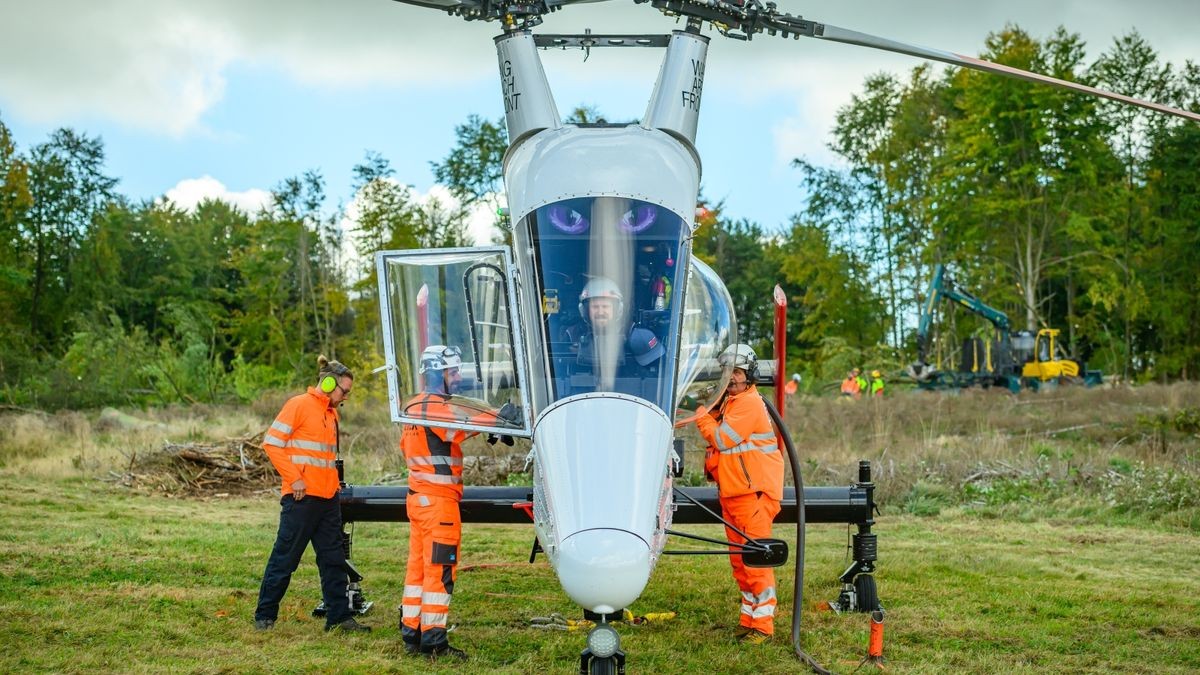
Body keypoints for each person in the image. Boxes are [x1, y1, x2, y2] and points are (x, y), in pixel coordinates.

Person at [399, 344, 521, 660]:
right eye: (453, 372)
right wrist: (498, 419)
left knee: (418, 572)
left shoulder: (413, 406)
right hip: (438, 504)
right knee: (440, 572)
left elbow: (459, 419)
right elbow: (462, 421)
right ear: (438, 373)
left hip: (419, 500)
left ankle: (412, 633)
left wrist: (488, 423)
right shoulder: (434, 406)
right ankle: (435, 643)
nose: (458, 378)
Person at [255, 355, 370, 634]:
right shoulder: (298, 405)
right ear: (329, 383)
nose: (346, 397)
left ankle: (339, 618)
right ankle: (264, 616)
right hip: (301, 499)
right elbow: (272, 444)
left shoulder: (330, 414)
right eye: (344, 391)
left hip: (328, 499)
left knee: (333, 560)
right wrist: (294, 480)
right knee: (285, 559)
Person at [693, 344, 785, 644]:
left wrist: (702, 414)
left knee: (756, 560)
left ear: (750, 375)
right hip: (734, 494)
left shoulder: (748, 403)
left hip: (753, 495)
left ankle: (764, 626)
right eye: (726, 372)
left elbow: (723, 440)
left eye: (737, 371)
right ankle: (748, 618)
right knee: (740, 562)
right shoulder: (730, 402)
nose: (731, 378)